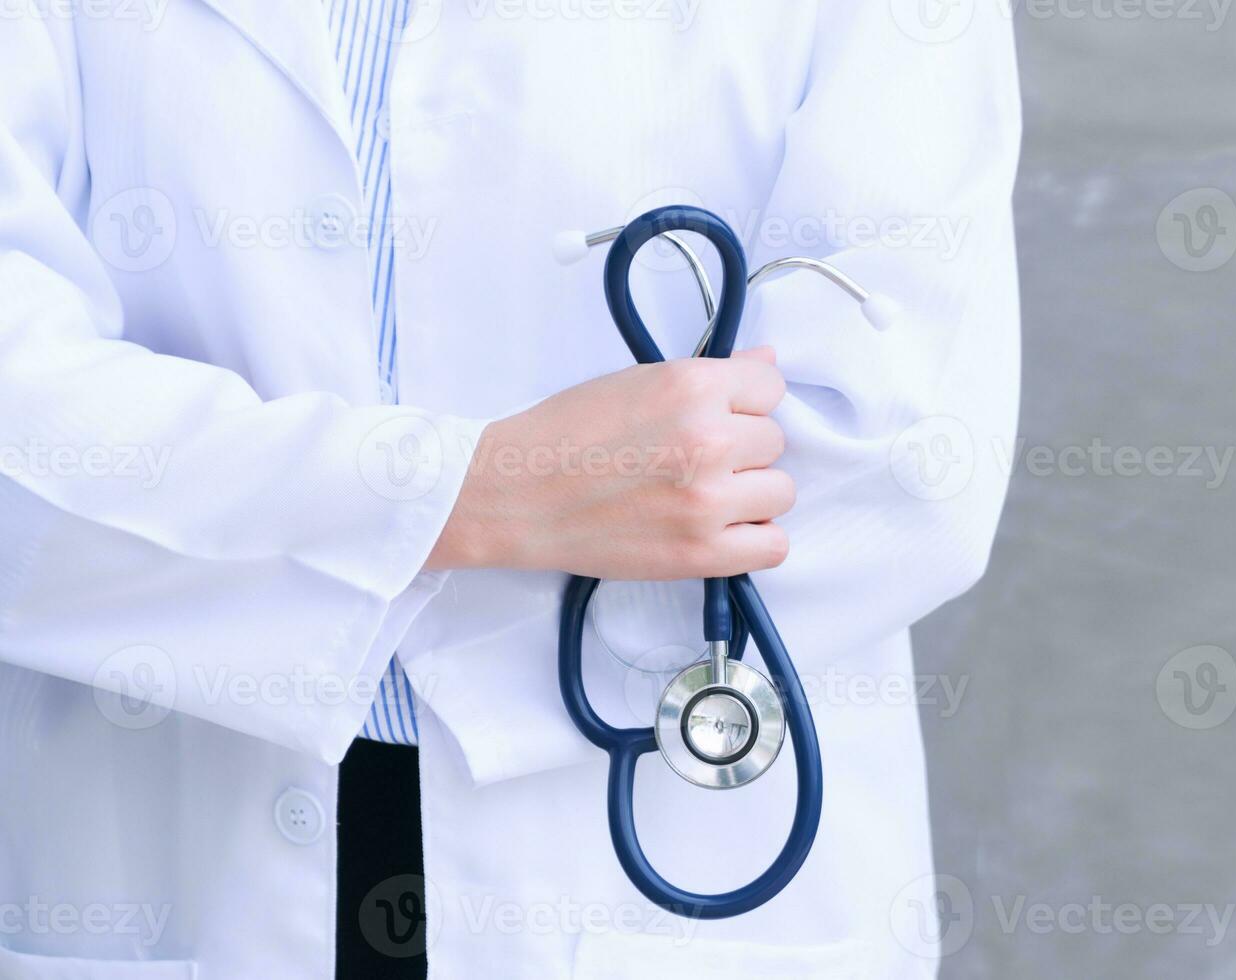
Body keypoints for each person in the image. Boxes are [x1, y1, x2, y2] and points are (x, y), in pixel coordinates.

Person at [0, 1, 1020, 977]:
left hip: (663, 840)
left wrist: (277, 548)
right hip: (183, 843)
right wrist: (474, 497)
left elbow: (900, 449)